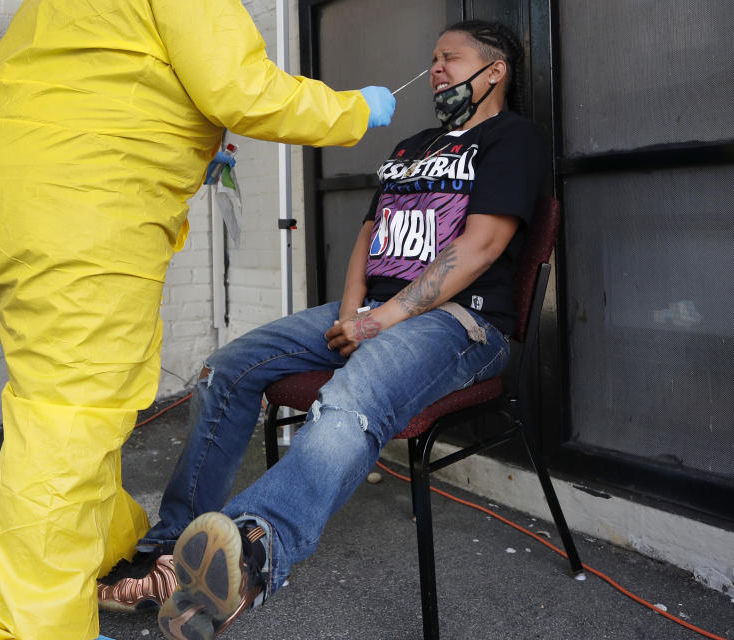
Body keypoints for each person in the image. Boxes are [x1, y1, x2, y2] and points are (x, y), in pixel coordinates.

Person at [0, 0, 396, 638]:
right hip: (82, 201)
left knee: (66, 401)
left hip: (1, 186)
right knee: (68, 420)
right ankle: (34, 627)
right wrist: (355, 110)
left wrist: (183, 136)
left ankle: (102, 554)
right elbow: (245, 91)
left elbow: (102, 74)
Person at [97, 19, 544, 640]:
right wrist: (349, 315)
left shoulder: (512, 139)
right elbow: (368, 235)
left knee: (348, 402)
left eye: (450, 58)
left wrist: (382, 321)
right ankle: (173, 547)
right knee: (227, 368)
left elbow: (484, 245)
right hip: (372, 311)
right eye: (433, 59)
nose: (436, 69)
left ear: (494, 70)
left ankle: (249, 553)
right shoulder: (413, 146)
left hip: (457, 321)